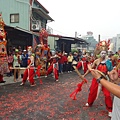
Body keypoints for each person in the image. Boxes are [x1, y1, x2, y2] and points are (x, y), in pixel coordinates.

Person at [83, 40, 113, 117]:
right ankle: (90, 102)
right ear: (99, 53)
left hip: (105, 80)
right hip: (96, 79)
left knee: (107, 95)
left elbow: (111, 71)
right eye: (102, 53)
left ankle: (110, 110)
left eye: (105, 53)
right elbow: (90, 69)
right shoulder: (96, 61)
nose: (103, 54)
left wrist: (111, 76)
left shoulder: (109, 62)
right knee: (92, 92)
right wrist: (84, 75)